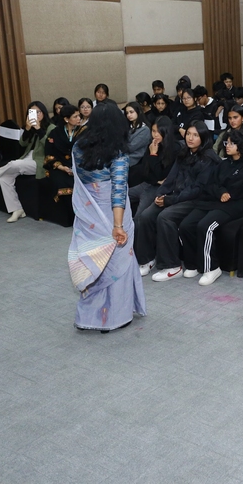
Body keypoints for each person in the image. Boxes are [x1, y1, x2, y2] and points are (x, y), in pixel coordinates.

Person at [67, 102, 146, 332]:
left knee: (94, 260)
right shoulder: (118, 153)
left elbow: (79, 182)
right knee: (116, 262)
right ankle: (113, 318)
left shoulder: (78, 147)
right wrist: (118, 226)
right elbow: (118, 191)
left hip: (88, 213)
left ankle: (88, 317)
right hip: (112, 214)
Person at [135, 121, 220, 281]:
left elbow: (197, 189)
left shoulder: (208, 158)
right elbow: (171, 178)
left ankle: (172, 266)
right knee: (146, 215)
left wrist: (169, 200)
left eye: (195, 135)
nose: (190, 138)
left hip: (196, 200)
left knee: (165, 216)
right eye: (188, 134)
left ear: (203, 137)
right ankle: (147, 259)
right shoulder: (184, 153)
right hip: (176, 196)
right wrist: (160, 194)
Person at [180, 129, 243, 286]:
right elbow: (211, 184)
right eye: (227, 142)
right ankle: (193, 264)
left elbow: (236, 191)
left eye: (232, 143)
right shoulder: (223, 163)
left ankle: (212, 268)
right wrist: (221, 191)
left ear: (241, 146)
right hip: (214, 201)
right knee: (185, 225)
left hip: (233, 206)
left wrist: (223, 192)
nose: (227, 146)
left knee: (205, 226)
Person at [0, 101, 55, 223]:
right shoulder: (30, 127)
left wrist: (39, 130)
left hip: (41, 161)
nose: (36, 115)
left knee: (14, 164)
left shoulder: (51, 128)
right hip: (27, 158)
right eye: (32, 112)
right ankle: (17, 209)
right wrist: (27, 129)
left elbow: (50, 147)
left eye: (38, 112)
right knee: (5, 178)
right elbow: (22, 144)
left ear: (44, 113)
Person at [128, 116, 178, 218]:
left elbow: (161, 175)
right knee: (117, 199)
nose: (155, 135)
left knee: (140, 217)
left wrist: (153, 155)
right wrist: (156, 180)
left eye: (159, 132)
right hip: (146, 183)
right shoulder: (152, 144)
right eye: (153, 131)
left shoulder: (175, 148)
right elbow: (145, 170)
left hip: (158, 189)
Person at [43, 104, 83, 203]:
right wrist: (62, 167)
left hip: (80, 167)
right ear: (66, 119)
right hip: (60, 167)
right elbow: (49, 153)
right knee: (58, 181)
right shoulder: (55, 133)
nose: (79, 118)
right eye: (75, 116)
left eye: (79, 116)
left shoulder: (84, 131)